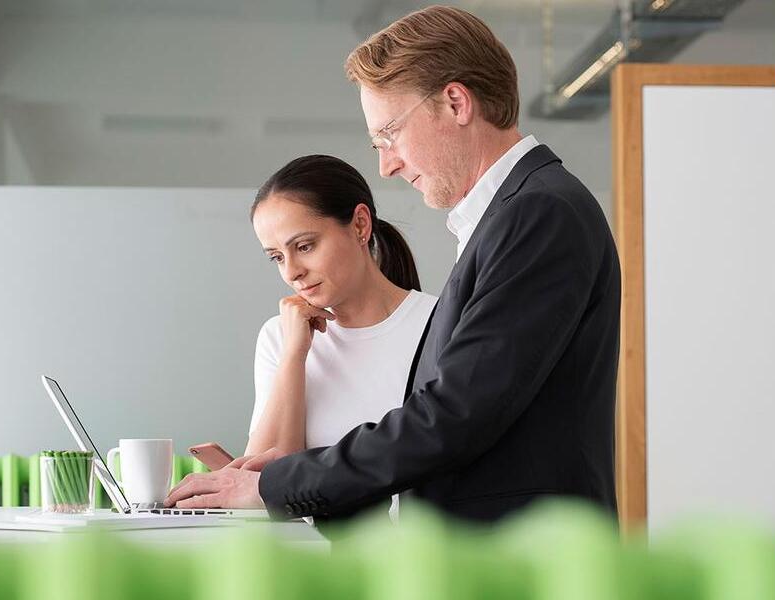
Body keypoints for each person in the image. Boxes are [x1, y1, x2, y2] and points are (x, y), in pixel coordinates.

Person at [167, 5, 621, 524]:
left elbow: (457, 415)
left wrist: (278, 484)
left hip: (522, 553)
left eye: (389, 134)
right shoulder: (513, 213)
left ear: (455, 103)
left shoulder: (537, 212)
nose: (386, 165)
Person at [245, 154, 438, 517]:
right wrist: (294, 355)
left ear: (360, 225)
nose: (292, 272)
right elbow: (260, 482)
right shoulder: (279, 337)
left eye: (304, 246)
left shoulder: (439, 323)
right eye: (276, 257)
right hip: (310, 552)